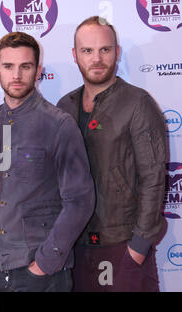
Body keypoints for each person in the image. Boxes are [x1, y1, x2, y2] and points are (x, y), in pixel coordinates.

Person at [0, 32, 95, 292]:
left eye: (25, 66)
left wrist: (45, 262)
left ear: (38, 71)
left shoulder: (59, 124)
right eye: (8, 66)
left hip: (41, 273)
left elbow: (80, 201)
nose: (16, 75)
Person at [57, 16, 167, 292]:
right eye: (87, 51)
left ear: (117, 52)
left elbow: (153, 178)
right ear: (74, 55)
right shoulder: (64, 106)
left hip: (122, 244)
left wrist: (138, 247)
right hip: (75, 246)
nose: (97, 58)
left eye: (105, 50)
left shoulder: (138, 103)